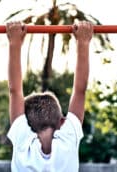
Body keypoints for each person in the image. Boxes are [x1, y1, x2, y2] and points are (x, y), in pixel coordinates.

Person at [6, 21, 93, 172]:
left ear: (26, 122)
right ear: (61, 122)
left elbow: (15, 91)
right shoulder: (68, 139)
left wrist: (14, 43)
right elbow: (80, 90)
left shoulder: (23, 143)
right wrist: (83, 42)